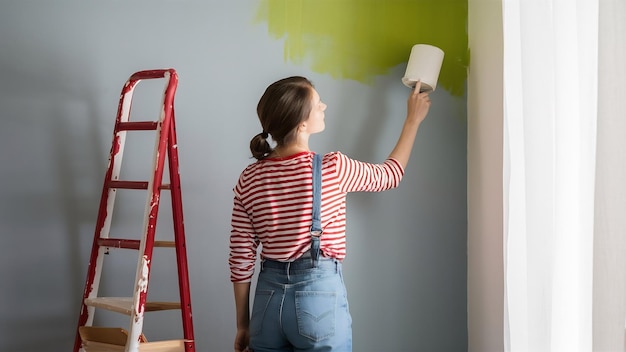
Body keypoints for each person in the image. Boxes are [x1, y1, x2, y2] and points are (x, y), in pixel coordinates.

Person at [229, 76, 431, 352]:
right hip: (317, 297)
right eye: (317, 103)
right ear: (301, 123)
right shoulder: (333, 168)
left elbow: (241, 258)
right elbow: (390, 175)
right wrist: (412, 120)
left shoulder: (248, 178)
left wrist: (243, 325)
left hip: (266, 302)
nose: (324, 105)